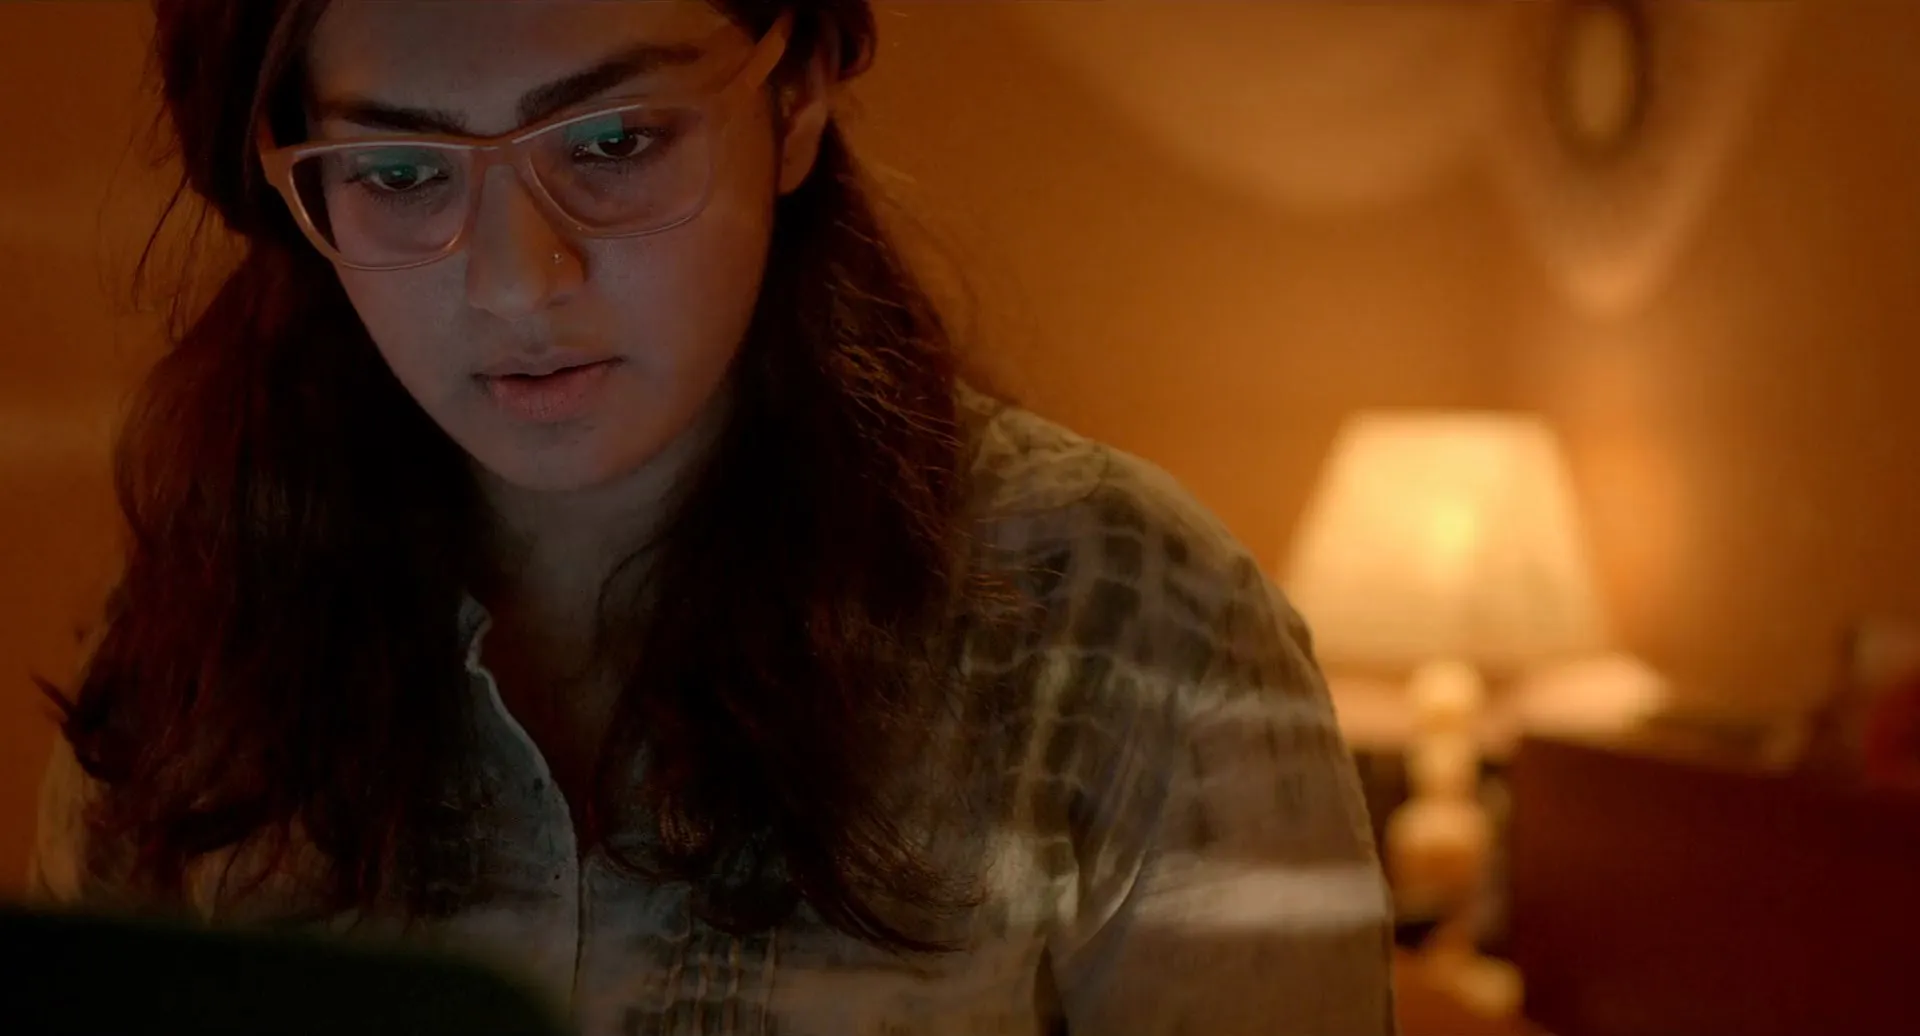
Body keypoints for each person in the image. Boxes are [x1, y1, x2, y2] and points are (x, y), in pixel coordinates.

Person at [28, 2, 1396, 1033]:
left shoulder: (1131, 628)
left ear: (795, 98)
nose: (518, 281)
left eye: (614, 143)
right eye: (399, 171)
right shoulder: (200, 651)